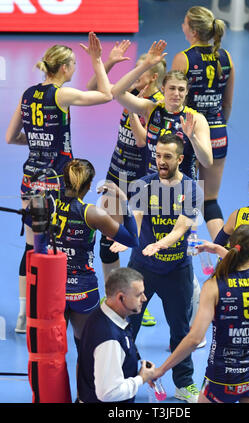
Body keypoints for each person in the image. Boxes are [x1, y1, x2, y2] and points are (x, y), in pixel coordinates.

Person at [5, 32, 112, 333]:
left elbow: (11, 137)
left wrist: (39, 143)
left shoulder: (28, 94)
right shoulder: (61, 95)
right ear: (64, 68)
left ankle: (24, 316)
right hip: (56, 183)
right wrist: (99, 60)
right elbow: (104, 94)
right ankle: (61, 307)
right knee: (61, 245)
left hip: (30, 180)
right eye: (75, 64)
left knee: (31, 248)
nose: (77, 68)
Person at [116, 133, 203, 403]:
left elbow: (180, 229)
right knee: (129, 324)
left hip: (178, 269)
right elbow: (138, 219)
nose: (161, 161)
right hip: (142, 268)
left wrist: (160, 244)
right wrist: (129, 239)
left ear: (179, 159)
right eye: (158, 155)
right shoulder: (144, 184)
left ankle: (184, 384)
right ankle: (122, 377)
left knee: (180, 330)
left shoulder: (191, 189)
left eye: (167, 156)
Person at [88, 43, 166, 327]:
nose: (134, 79)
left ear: (153, 77)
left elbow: (144, 140)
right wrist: (104, 62)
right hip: (115, 174)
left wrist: (131, 106)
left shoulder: (154, 105)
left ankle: (137, 300)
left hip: (138, 182)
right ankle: (113, 294)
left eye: (140, 74)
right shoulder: (131, 94)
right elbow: (103, 88)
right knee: (107, 239)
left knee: (136, 242)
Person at [153, 225, 249, 403]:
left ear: (231, 245)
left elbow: (194, 339)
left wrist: (162, 369)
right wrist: (219, 250)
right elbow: (243, 267)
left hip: (222, 378)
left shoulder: (214, 286)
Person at [49, 158, 139, 353]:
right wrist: (123, 201)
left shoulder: (49, 203)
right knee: (86, 348)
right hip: (82, 289)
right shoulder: (92, 214)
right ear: (89, 185)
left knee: (52, 352)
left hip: (52, 286)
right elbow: (132, 239)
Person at [172, 6, 235, 240]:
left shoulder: (183, 58)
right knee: (209, 201)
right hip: (218, 131)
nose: (182, 26)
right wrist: (215, 128)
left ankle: (178, 255)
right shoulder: (226, 57)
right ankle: (225, 254)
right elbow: (227, 105)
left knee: (181, 198)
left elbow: (175, 102)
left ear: (194, 31)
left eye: (185, 23)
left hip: (188, 133)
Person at [111, 40, 213, 182]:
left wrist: (193, 138)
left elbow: (207, 162)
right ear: (163, 89)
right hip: (152, 188)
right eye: (172, 88)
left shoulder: (196, 119)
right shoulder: (151, 109)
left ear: (187, 92)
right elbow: (117, 92)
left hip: (183, 193)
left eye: (181, 89)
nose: (176, 93)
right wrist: (145, 65)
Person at [77, 267, 155, 403]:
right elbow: (108, 393)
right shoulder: (109, 339)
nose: (144, 298)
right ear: (121, 297)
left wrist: (138, 371)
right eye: (138, 295)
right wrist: (140, 379)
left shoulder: (107, 315)